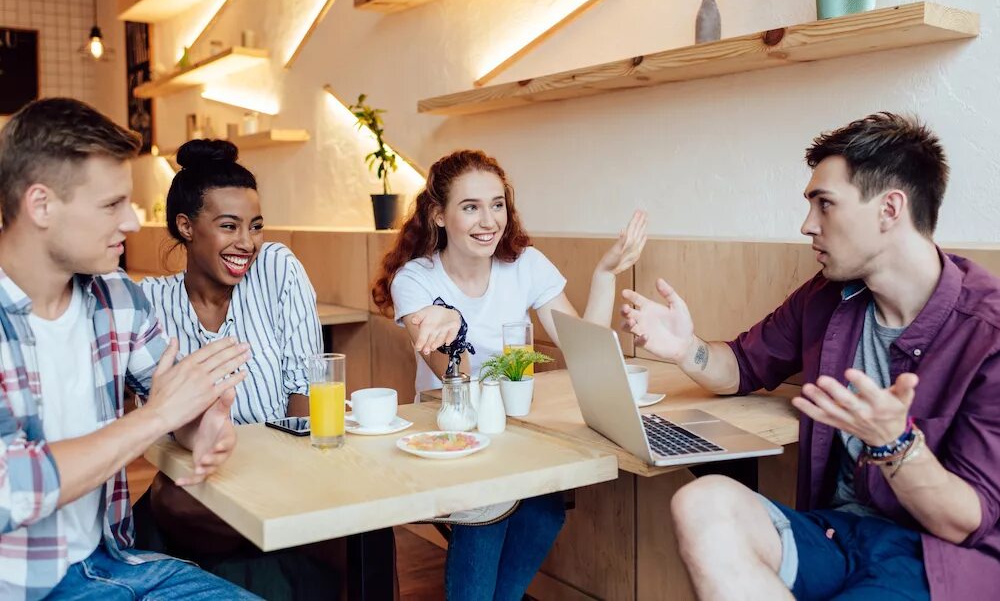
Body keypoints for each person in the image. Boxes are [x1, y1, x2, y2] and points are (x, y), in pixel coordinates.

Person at [621, 113, 1000, 600]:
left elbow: (965, 522)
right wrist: (685, 349)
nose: (807, 225)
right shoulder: (827, 296)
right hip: (835, 536)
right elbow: (742, 365)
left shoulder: (987, 332)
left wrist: (895, 443)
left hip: (934, 561)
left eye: (825, 205)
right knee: (701, 501)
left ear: (890, 208)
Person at [0, 98, 258, 600]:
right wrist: (156, 418)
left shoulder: (116, 295)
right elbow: (12, 488)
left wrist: (205, 423)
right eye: (111, 205)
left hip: (116, 562)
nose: (134, 222)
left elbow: (176, 399)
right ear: (41, 205)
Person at [372, 149, 647, 601]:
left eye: (497, 204)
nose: (488, 221)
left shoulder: (525, 264)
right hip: (454, 436)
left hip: (519, 431)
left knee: (545, 513)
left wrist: (604, 274)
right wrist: (453, 327)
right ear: (439, 215)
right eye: (471, 207)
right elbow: (453, 380)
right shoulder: (416, 280)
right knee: (485, 519)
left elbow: (584, 349)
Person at [138, 139, 397, 600]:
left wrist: (289, 478)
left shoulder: (277, 267)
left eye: (255, 226)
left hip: (285, 465)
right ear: (186, 227)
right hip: (204, 475)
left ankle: (290, 534)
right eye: (229, 226)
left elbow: (306, 386)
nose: (247, 242)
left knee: (363, 521)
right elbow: (158, 420)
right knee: (169, 500)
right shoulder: (152, 303)